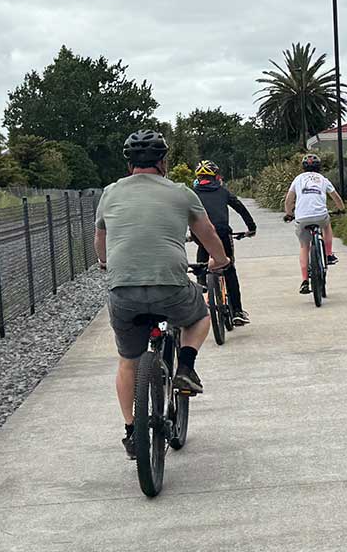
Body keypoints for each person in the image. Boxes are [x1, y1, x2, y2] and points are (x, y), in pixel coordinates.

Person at [94, 130, 231, 459]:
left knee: (128, 361)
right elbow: (207, 232)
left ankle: (131, 431)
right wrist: (221, 260)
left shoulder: (110, 193)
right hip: (170, 285)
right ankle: (185, 366)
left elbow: (101, 237)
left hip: (123, 290)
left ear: (129, 164)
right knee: (199, 318)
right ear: (163, 162)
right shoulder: (181, 193)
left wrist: (104, 262)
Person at [189, 160, 257, 325]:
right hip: (222, 234)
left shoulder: (192, 194)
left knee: (202, 259)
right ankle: (237, 312)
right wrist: (251, 228)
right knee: (229, 268)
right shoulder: (222, 191)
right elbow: (240, 208)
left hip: (201, 235)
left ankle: (203, 285)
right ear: (216, 177)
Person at [281, 153, 344, 295]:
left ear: (303, 167)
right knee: (326, 225)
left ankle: (304, 281)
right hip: (320, 216)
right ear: (319, 167)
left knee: (304, 246)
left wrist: (289, 213)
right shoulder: (323, 179)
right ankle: (328, 254)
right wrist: (341, 209)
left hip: (302, 217)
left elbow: (289, 199)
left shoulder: (298, 179)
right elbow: (336, 197)